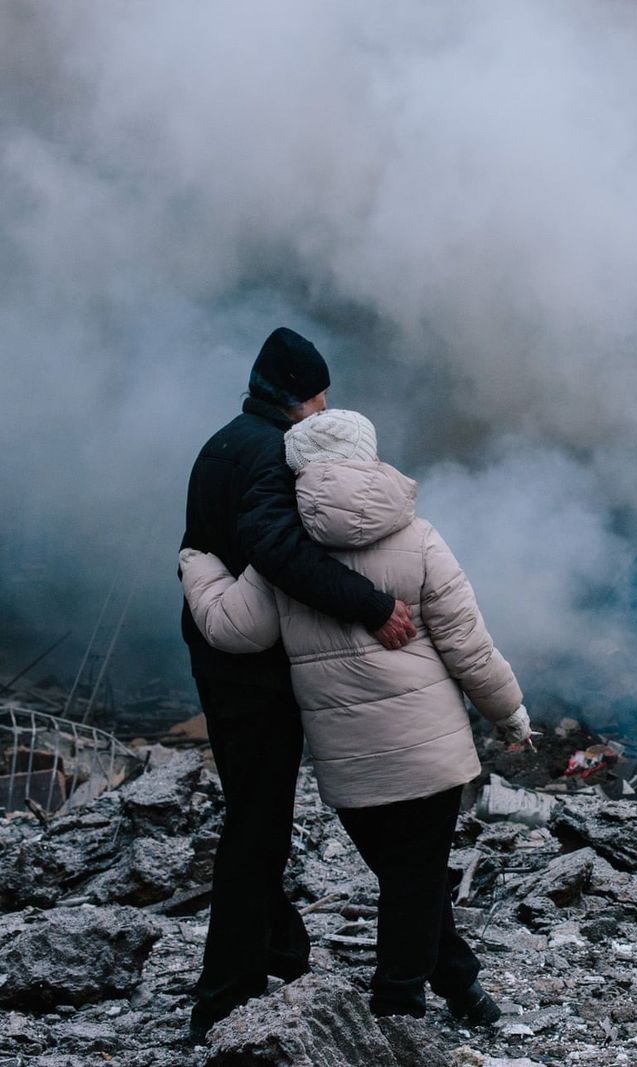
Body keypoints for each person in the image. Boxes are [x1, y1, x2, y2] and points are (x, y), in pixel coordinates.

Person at [178, 407, 532, 1025]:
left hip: (350, 763)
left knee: (407, 876)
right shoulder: (419, 538)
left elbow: (232, 630)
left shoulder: (281, 560)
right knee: (414, 878)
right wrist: (511, 716)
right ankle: (398, 1007)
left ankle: (461, 985)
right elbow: (468, 647)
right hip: (431, 749)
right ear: (370, 459)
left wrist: (198, 564)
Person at [179, 328, 417, 1037]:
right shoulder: (268, 453)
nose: (322, 409)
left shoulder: (222, 441)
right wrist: (372, 605)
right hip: (252, 670)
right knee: (256, 829)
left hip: (219, 655)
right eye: (317, 396)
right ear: (293, 394)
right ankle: (223, 996)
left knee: (255, 815)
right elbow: (278, 548)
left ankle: (280, 951)